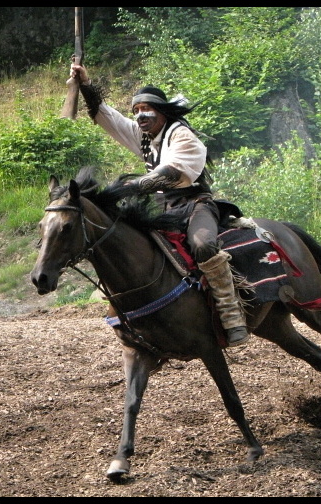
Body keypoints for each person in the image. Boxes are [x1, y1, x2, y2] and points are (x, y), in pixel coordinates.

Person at [70, 63, 249, 347]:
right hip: (166, 212)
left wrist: (133, 186)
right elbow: (109, 118)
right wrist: (85, 84)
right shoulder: (146, 135)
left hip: (195, 206)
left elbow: (173, 172)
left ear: (162, 112)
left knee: (203, 245)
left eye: (145, 109)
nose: (140, 115)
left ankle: (232, 315)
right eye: (136, 111)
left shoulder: (181, 135)